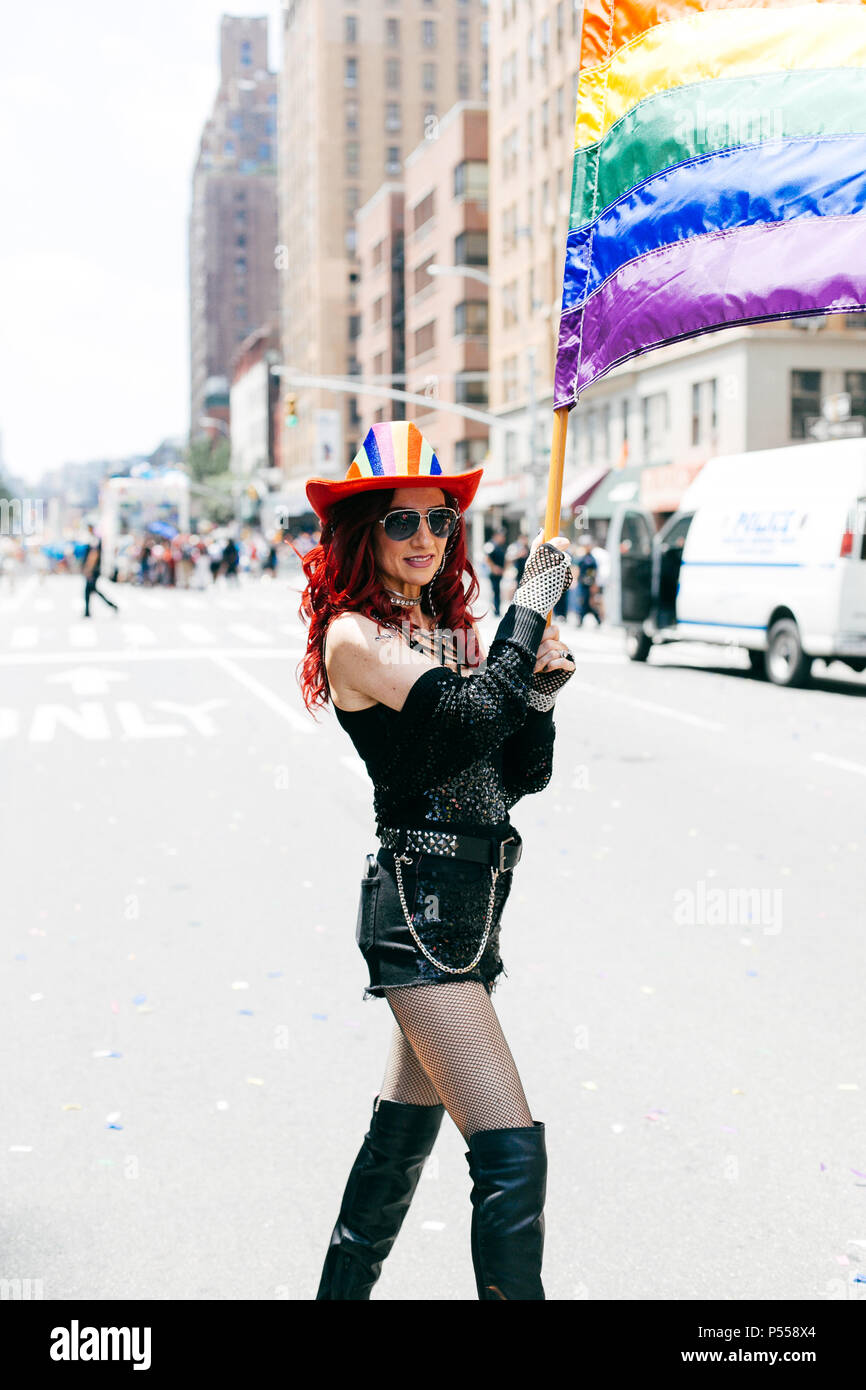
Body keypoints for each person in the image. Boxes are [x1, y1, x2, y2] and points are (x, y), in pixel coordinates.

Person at [299, 420, 575, 1301]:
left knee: (397, 1146)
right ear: (361, 531)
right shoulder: (354, 639)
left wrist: (538, 688)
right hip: (419, 919)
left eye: (440, 522)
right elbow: (463, 721)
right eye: (402, 522)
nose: (425, 539)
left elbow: (516, 774)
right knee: (511, 1152)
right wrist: (531, 602)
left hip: (471, 913)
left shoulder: (443, 630)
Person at [82, 525, 119, 618]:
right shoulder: (96, 539)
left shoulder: (94, 539)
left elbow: (93, 555)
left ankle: (111, 606)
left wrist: (89, 569)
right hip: (95, 570)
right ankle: (87, 611)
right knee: (91, 590)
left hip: (93, 570)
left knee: (89, 590)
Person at [575, 535, 601, 627]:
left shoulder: (591, 559)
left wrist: (593, 584)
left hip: (588, 584)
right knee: (583, 602)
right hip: (582, 584)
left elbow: (593, 573)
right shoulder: (582, 557)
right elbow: (578, 569)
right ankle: (582, 620)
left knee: (587, 603)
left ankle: (596, 619)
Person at [483, 526, 507, 616]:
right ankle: (495, 610)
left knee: (498, 591)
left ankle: (497, 609)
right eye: (501, 536)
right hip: (493, 573)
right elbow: (486, 558)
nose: (503, 538)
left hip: (499, 573)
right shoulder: (491, 545)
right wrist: (494, 568)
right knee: (495, 591)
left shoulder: (501, 546)